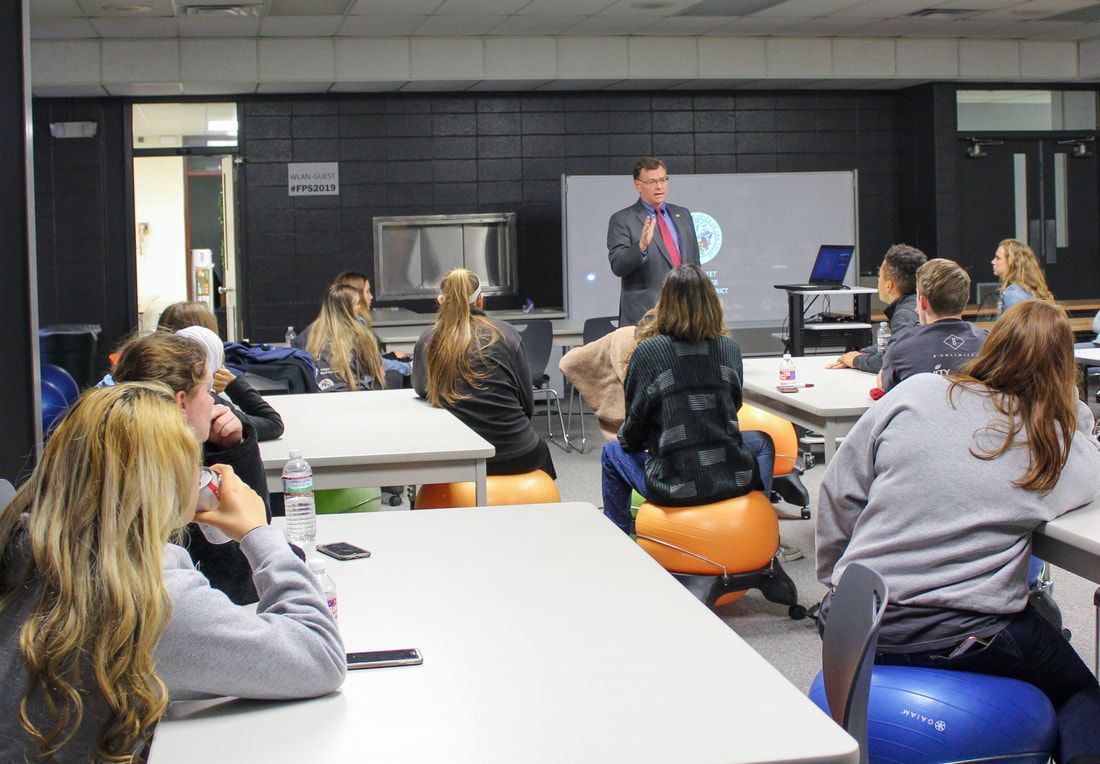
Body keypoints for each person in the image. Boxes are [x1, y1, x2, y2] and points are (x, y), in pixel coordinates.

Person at [816, 300, 1100, 761]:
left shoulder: (917, 393)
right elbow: (1088, 449)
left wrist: (837, 582)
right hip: (962, 635)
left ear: (990, 345)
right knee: (1081, 693)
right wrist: (1072, 411)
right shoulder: (1057, 446)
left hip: (855, 622)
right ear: (1064, 372)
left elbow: (838, 492)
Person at [0, 384, 345, 762]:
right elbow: (320, 658)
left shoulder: (22, 547)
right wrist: (257, 533)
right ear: (165, 482)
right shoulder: (151, 599)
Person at [600, 264, 775, 537]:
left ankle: (617, 540)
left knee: (611, 453)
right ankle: (762, 528)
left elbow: (635, 426)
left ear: (664, 303)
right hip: (732, 478)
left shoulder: (649, 352)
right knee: (763, 442)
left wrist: (641, 442)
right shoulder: (730, 349)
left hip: (675, 486)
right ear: (712, 303)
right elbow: (733, 406)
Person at [113, 332, 271, 604]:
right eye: (209, 390)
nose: (213, 401)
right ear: (181, 401)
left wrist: (232, 447)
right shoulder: (167, 483)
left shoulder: (111, 447)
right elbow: (242, 579)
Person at [412, 268, 556, 480]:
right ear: (481, 301)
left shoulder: (429, 340)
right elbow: (527, 406)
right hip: (517, 453)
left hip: (456, 456)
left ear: (441, 301)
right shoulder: (506, 333)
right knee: (541, 450)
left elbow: (421, 388)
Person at [607, 157, 699, 327]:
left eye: (663, 180)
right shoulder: (622, 219)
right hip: (646, 316)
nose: (659, 187)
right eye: (652, 182)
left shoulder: (683, 214)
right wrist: (641, 246)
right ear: (638, 185)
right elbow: (618, 265)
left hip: (686, 313)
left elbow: (695, 265)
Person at [878, 258, 987, 393]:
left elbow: (883, 385)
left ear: (922, 302)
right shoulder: (991, 343)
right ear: (966, 297)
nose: (916, 310)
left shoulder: (902, 347)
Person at [174, 322, 285, 442]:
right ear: (210, 363)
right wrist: (234, 384)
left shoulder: (162, 395)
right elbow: (274, 424)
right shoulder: (208, 402)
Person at [828, 244, 925, 374]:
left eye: (880, 276)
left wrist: (856, 360)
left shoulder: (905, 315)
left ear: (888, 286)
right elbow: (893, 345)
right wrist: (861, 353)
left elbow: (890, 360)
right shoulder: (916, 305)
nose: (878, 280)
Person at [306, 283, 387, 392]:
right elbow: (379, 372)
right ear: (347, 308)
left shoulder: (311, 332)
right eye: (357, 304)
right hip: (353, 396)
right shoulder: (360, 333)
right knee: (395, 376)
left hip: (319, 398)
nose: (359, 307)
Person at [992, 238, 1053, 316]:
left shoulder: (1013, 294)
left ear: (1012, 262)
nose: (993, 262)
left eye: (998, 258)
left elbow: (1015, 327)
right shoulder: (1028, 290)